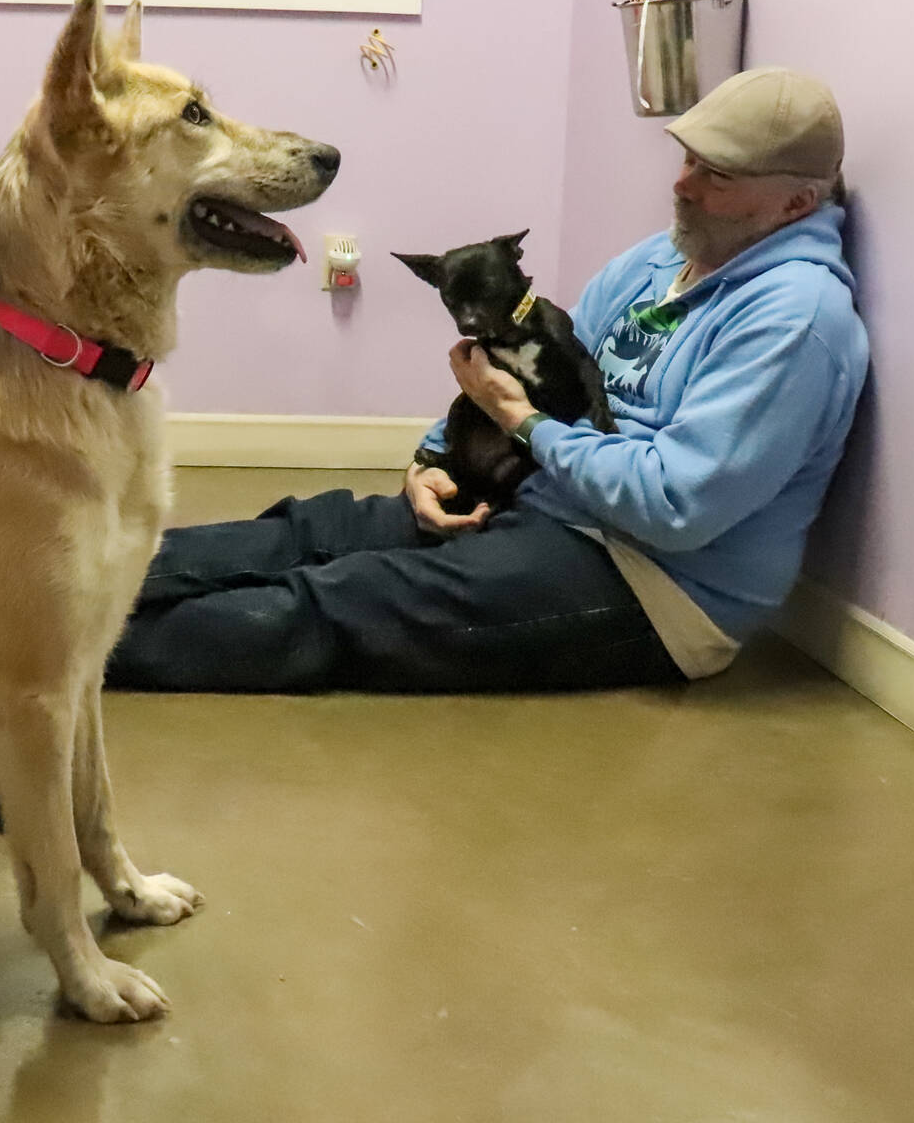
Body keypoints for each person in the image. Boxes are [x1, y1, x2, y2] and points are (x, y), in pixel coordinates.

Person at [108, 67, 869, 694]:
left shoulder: (797, 321)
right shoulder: (660, 259)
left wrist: (527, 426)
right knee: (316, 531)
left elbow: (675, 508)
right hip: (534, 499)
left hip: (652, 584)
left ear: (796, 202)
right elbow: (511, 356)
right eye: (689, 159)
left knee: (342, 603)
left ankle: (46, 662)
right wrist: (433, 464)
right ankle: (48, 601)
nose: (685, 185)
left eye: (718, 175)